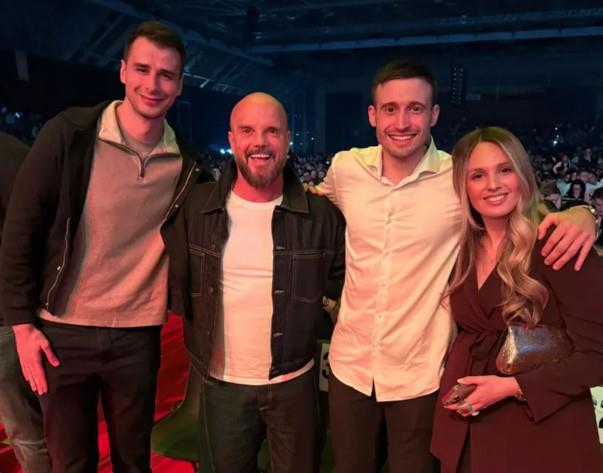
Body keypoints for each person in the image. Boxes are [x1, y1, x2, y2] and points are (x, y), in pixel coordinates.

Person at [314, 59, 597, 473]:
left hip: (421, 373)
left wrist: (583, 213)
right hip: (350, 366)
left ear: (434, 115)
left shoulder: (457, 176)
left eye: (415, 108)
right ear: (373, 115)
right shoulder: (346, 169)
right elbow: (310, 201)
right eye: (390, 108)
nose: (402, 122)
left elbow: (517, 206)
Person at [0, 21, 210, 473]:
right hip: (62, 333)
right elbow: (21, 228)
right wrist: (21, 325)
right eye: (143, 70)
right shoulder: (70, 134)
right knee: (70, 462)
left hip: (138, 337)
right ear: (123, 71)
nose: (153, 85)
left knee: (133, 461)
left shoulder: (187, 164)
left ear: (179, 85)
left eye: (166, 75)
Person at [162, 92, 345, 473]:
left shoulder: (320, 215)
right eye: (247, 131)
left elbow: (345, 286)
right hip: (222, 385)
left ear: (288, 139)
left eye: (272, 131)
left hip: (295, 384)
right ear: (231, 139)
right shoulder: (196, 207)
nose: (260, 142)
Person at [431, 126, 603, 473]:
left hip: (541, 434)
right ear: (463, 187)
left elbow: (598, 355)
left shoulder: (559, 244)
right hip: (466, 429)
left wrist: (513, 387)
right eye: (478, 175)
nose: (493, 185)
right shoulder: (461, 248)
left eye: (505, 170)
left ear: (522, 174)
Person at [0, 132, 50, 473]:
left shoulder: (8, 155)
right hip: (12, 320)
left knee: (30, 435)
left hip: (10, 322)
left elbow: (36, 234)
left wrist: (23, 320)